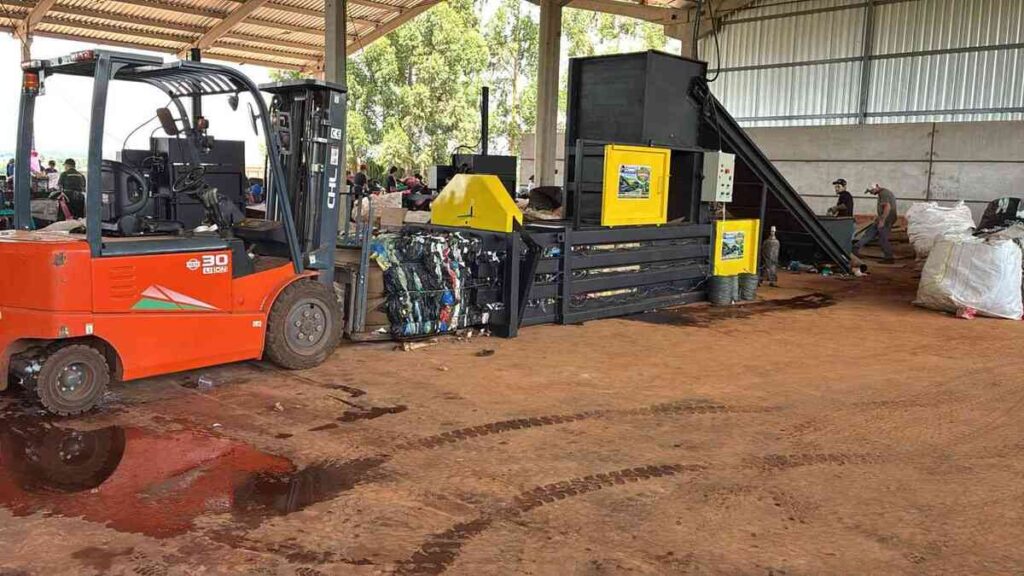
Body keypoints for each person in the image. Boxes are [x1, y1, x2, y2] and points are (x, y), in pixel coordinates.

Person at [853, 182, 897, 264]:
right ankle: (855, 248)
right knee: (870, 232)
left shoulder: (884, 193)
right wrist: (879, 218)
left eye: (871, 191)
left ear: (876, 187)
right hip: (883, 218)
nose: (871, 193)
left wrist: (882, 220)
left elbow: (887, 207)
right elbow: (884, 207)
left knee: (883, 237)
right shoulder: (882, 193)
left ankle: (889, 258)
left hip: (887, 219)